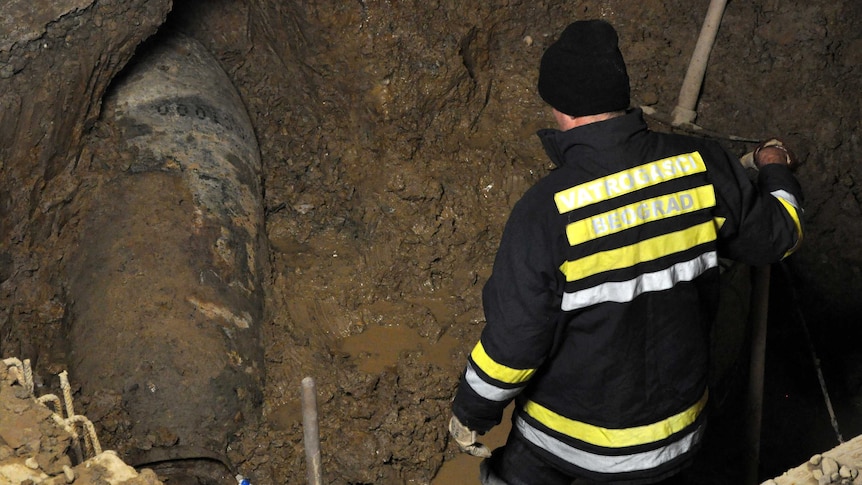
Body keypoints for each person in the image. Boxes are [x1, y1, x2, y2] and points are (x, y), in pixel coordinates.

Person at [448, 19, 804, 485]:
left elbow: (515, 343)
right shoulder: (702, 167)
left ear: (558, 108)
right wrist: (774, 169)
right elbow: (782, 235)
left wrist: (472, 412)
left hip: (567, 442)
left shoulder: (545, 211)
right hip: (677, 440)